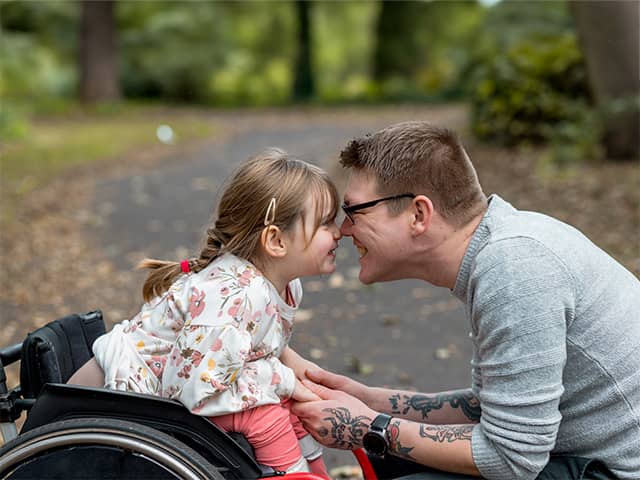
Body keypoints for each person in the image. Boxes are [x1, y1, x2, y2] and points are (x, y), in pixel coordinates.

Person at [291, 121, 640, 480]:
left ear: (418, 214)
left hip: (613, 471)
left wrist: (367, 426)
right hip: (576, 458)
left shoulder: (514, 269)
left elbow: (511, 459)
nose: (344, 230)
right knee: (392, 459)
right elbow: (492, 408)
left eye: (355, 212)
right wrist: (370, 400)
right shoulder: (500, 250)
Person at [69, 149, 342, 477]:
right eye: (327, 223)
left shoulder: (283, 285)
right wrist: (281, 378)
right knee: (267, 413)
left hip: (182, 384)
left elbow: (255, 337)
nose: (339, 231)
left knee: (292, 405)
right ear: (276, 241)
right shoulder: (235, 297)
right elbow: (195, 391)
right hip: (118, 398)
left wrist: (295, 368)